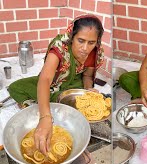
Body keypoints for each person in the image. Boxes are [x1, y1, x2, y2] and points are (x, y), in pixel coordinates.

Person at [8, 14, 104, 155]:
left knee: (73, 101)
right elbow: (45, 79)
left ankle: (47, 104)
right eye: (81, 41)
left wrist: (88, 91)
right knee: (16, 88)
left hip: (74, 83)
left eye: (91, 42)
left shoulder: (94, 52)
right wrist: (45, 118)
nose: (85, 48)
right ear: (72, 37)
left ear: (97, 41)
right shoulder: (59, 48)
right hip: (54, 80)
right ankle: (48, 106)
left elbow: (87, 76)